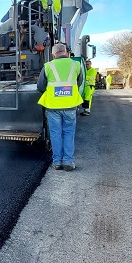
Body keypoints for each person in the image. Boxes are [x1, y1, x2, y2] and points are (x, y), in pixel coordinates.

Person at [37, 43, 84, 171]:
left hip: (53, 107)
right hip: (70, 106)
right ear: (66, 52)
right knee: (69, 133)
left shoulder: (48, 66)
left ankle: (57, 162)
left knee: (55, 134)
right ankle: (68, 162)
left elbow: (40, 87)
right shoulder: (76, 65)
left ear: (53, 54)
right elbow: (79, 83)